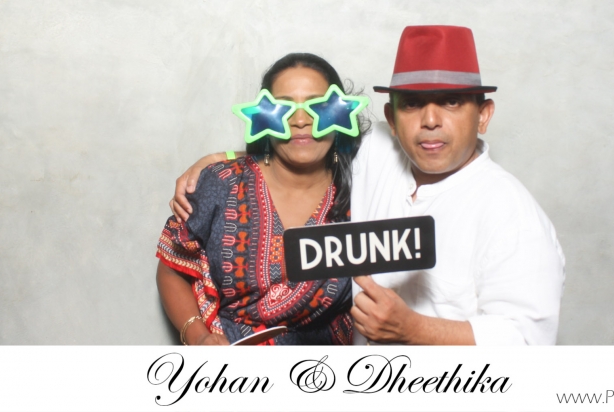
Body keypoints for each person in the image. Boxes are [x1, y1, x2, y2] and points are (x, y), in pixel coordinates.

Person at [172, 26, 565, 345]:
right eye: (412, 104)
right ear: (391, 120)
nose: (430, 120)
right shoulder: (378, 153)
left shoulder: (511, 211)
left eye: (450, 102)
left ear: (483, 115)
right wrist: (225, 159)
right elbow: (304, 141)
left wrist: (414, 329)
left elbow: (528, 340)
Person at [157, 53, 366, 345]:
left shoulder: (365, 190)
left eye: (318, 106)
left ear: (340, 114)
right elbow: (171, 267)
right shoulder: (223, 184)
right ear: (265, 117)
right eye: (284, 108)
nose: (301, 120)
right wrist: (199, 337)